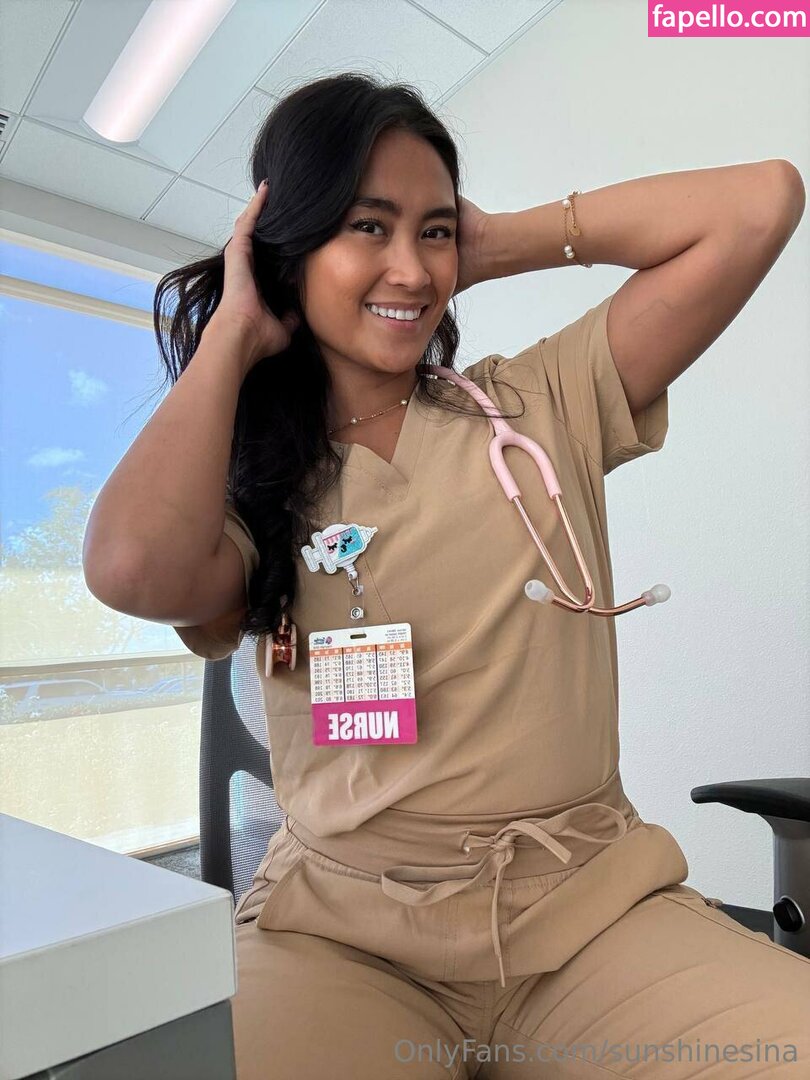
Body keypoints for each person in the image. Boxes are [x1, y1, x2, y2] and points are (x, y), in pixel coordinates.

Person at [85, 74, 809, 1078]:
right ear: (291, 247)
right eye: (366, 226)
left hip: (589, 915)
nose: (411, 267)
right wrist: (233, 335)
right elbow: (130, 566)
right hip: (344, 936)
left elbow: (762, 202)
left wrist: (494, 243)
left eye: (432, 230)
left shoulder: (542, 403)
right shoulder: (255, 491)